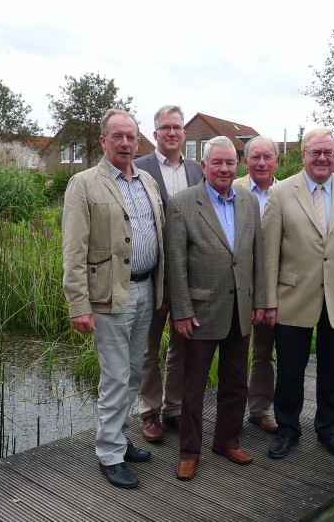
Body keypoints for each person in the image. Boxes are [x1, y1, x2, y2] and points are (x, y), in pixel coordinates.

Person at [62, 108, 165, 489]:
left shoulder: (148, 183)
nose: (125, 143)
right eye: (117, 136)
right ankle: (109, 453)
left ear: (139, 142)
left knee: (136, 373)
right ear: (103, 140)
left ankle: (120, 440)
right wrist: (79, 304)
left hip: (146, 289)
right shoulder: (84, 184)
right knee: (115, 377)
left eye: (131, 137)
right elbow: (74, 250)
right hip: (107, 295)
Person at [262, 127, 334, 460]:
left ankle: (328, 428)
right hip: (293, 296)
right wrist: (268, 302)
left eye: (329, 152)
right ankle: (287, 429)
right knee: (291, 371)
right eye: (315, 152)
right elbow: (269, 254)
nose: (322, 158)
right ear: (303, 155)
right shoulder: (281, 193)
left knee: (331, 369)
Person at [165, 136, 266, 481]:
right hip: (200, 312)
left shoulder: (249, 202)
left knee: (237, 383)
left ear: (237, 166)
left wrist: (260, 301)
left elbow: (256, 257)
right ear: (204, 166)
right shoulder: (181, 204)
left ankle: (226, 440)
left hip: (240, 309)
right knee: (192, 389)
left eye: (230, 163)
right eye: (217, 163)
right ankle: (190, 451)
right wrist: (180, 311)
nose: (224, 169)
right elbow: (175, 264)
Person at [133, 105, 204, 442]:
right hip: (154, 273)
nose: (172, 133)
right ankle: (149, 412)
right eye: (165, 128)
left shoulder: (196, 169)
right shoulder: (139, 168)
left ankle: (173, 408)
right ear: (156, 133)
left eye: (177, 127)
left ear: (184, 134)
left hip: (190, 274)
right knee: (149, 347)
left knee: (182, 344)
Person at [232, 136, 279, 434]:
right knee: (233, 352)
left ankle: (260, 410)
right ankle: (230, 414)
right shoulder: (230, 188)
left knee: (265, 350)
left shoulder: (289, 192)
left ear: (276, 160)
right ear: (245, 161)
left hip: (275, 286)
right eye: (255, 157)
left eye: (267, 157)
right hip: (235, 286)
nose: (261, 163)